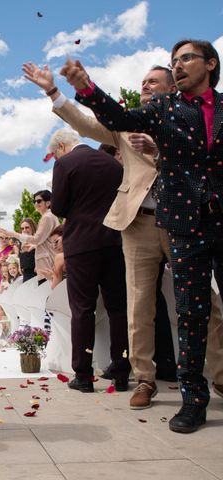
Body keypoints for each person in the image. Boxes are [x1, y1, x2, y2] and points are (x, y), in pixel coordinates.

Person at [23, 62, 206, 410]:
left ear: (171, 88)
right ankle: (140, 378)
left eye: (152, 82)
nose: (145, 87)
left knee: (200, 304)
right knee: (134, 307)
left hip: (182, 220)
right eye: (142, 83)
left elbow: (203, 160)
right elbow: (87, 124)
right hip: (135, 227)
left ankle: (218, 375)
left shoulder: (192, 119)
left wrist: (160, 152)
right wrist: (53, 91)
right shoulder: (124, 132)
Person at [63, 39, 223, 433]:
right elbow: (113, 117)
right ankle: (187, 395)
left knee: (214, 308)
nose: (180, 65)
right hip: (171, 223)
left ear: (211, 63)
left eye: (186, 58)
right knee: (186, 311)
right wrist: (84, 87)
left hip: (217, 219)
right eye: (175, 60)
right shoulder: (160, 110)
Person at [48, 129, 130, 394]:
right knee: (118, 307)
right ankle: (121, 368)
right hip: (114, 240)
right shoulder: (112, 163)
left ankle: (83, 375)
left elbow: (59, 207)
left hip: (82, 243)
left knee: (83, 309)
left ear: (61, 146)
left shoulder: (65, 163)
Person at [0, 190, 58, 282]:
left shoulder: (47, 217)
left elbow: (37, 239)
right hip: (47, 266)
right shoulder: (49, 216)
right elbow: (45, 240)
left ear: (48, 203)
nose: (36, 203)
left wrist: (12, 233)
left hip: (48, 266)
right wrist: (33, 246)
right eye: (34, 201)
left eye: (39, 201)